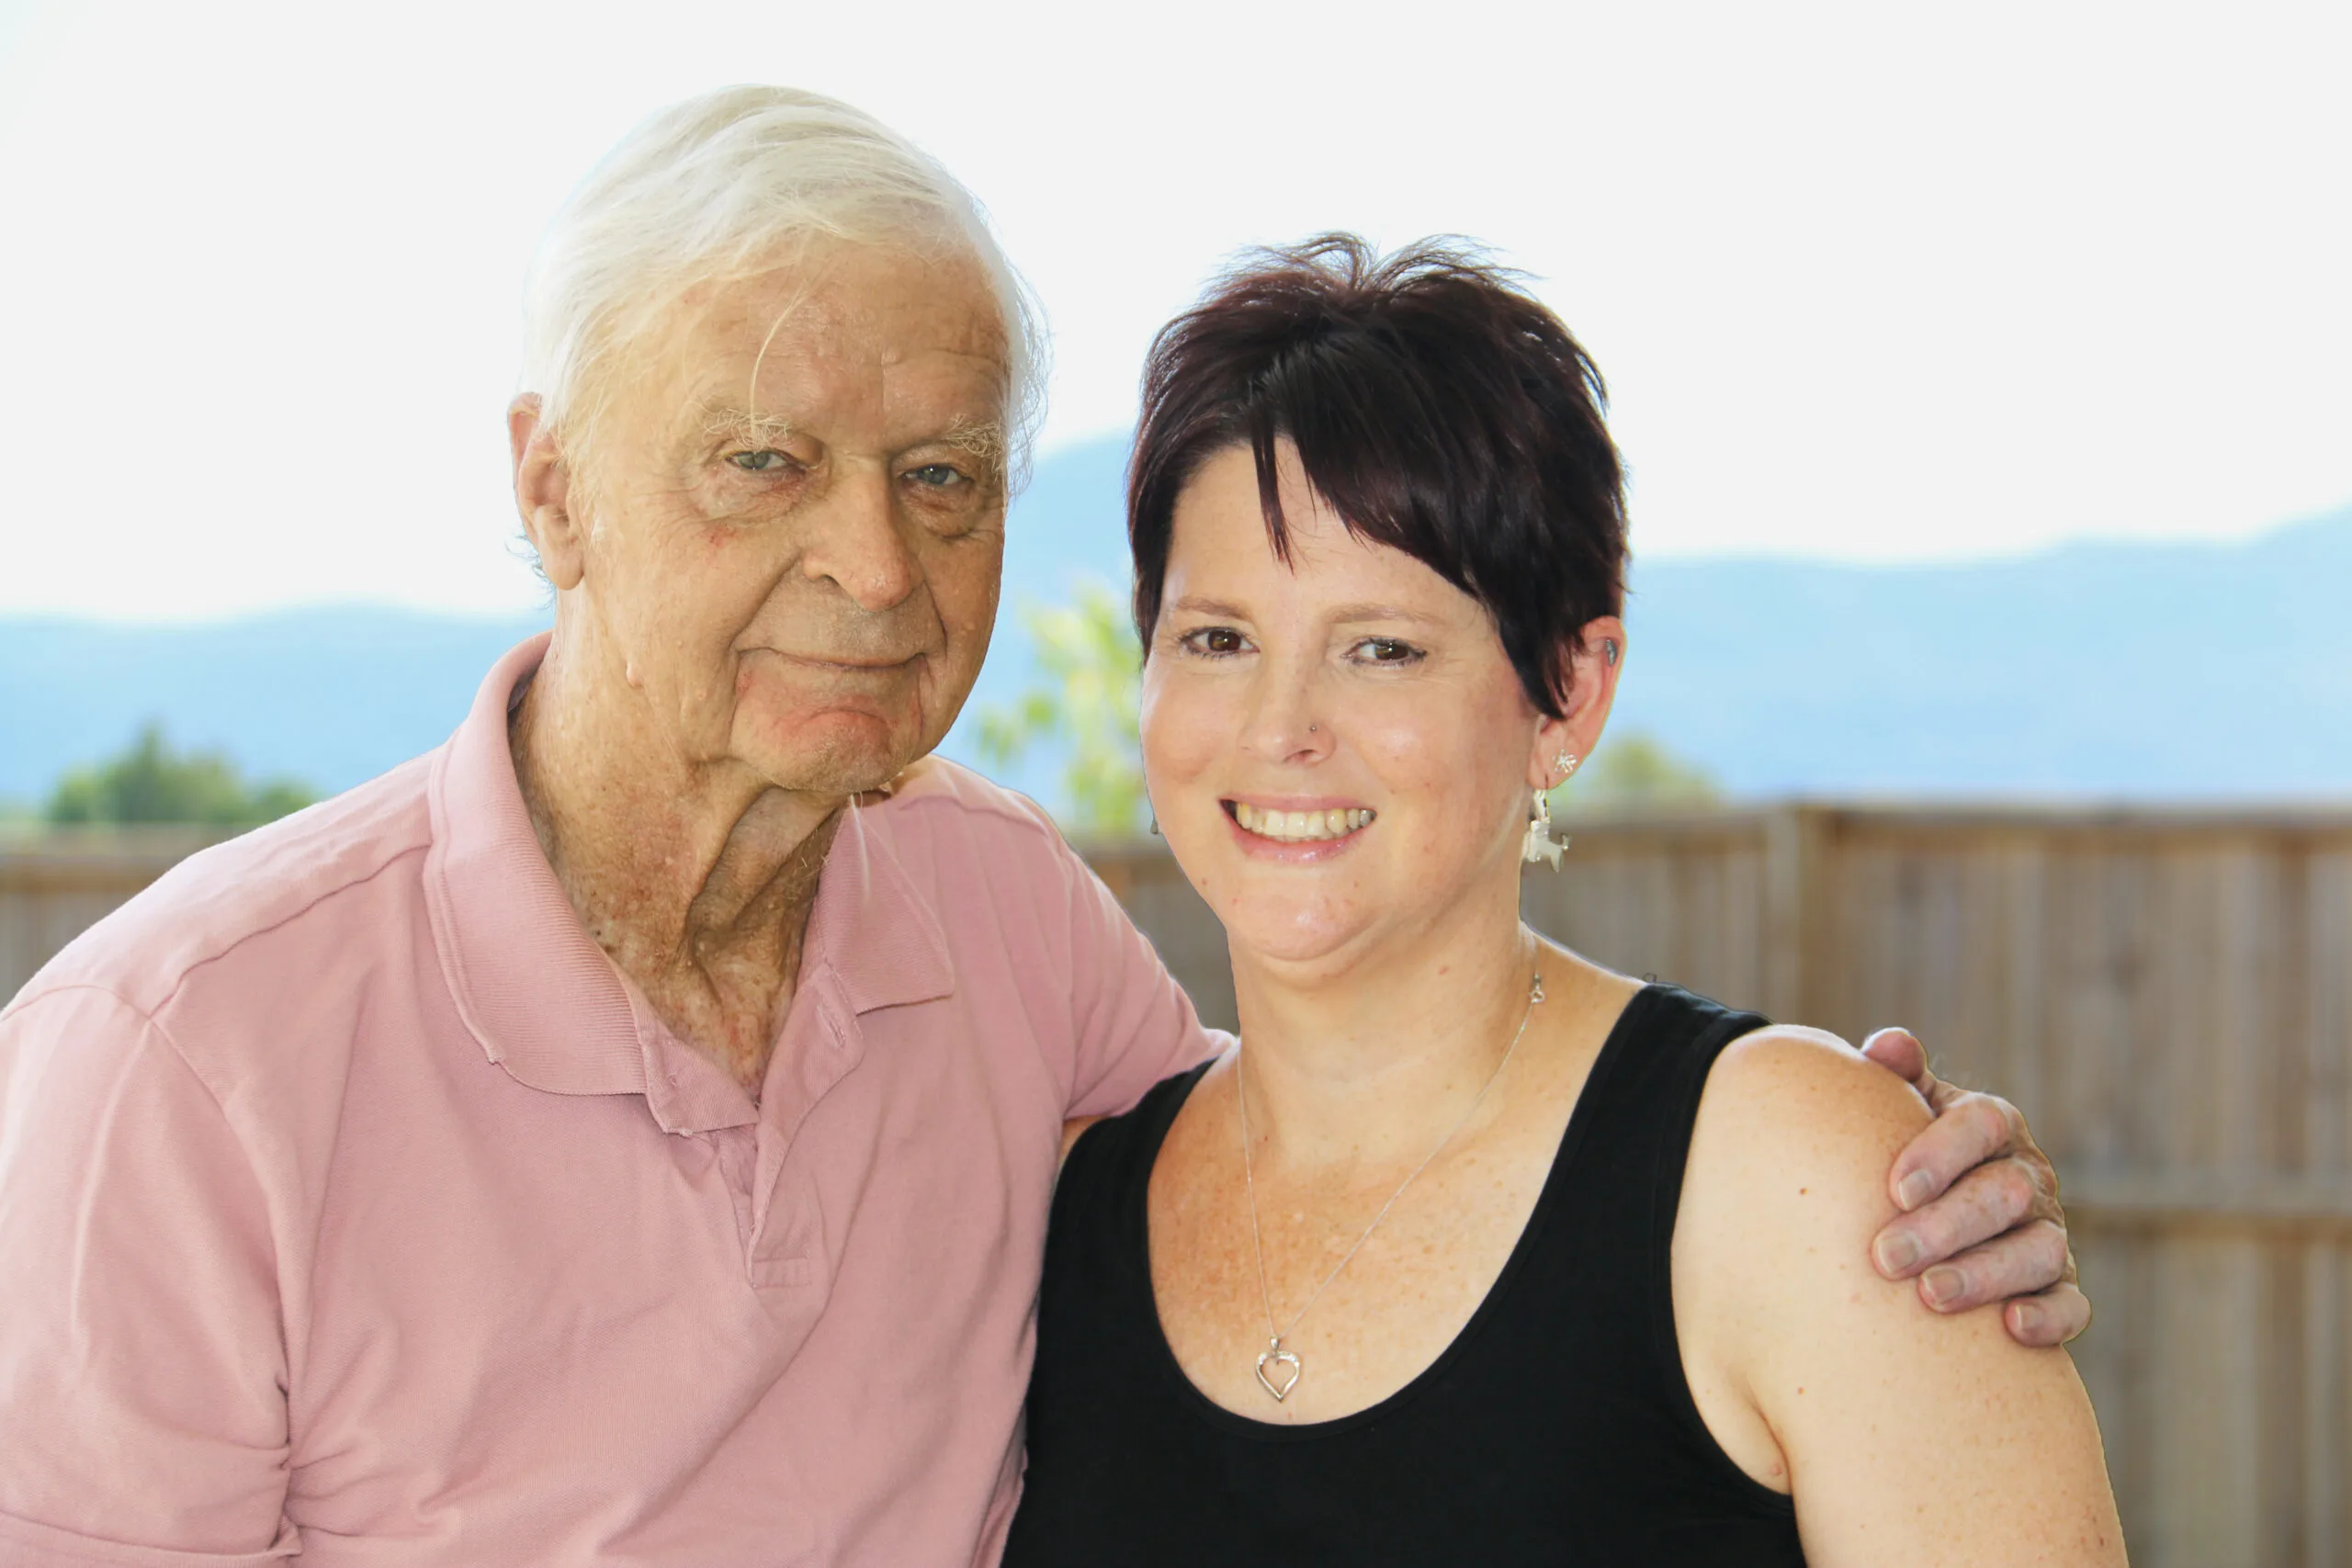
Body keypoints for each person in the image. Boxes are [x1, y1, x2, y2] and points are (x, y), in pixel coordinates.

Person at [0, 90, 2077, 1567]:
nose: (875, 572)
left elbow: (1424, 1181)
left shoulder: (1001, 929)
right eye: (761, 460)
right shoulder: (181, 1062)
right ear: (548, 487)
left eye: (938, 477)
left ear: (1567, 692)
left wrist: (1852, 1165)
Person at [1007, 237, 2125, 1565]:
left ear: (1569, 695)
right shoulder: (1063, 1211)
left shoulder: (1799, 1178)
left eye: (1383, 648)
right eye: (1218, 639)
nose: (1281, 725)